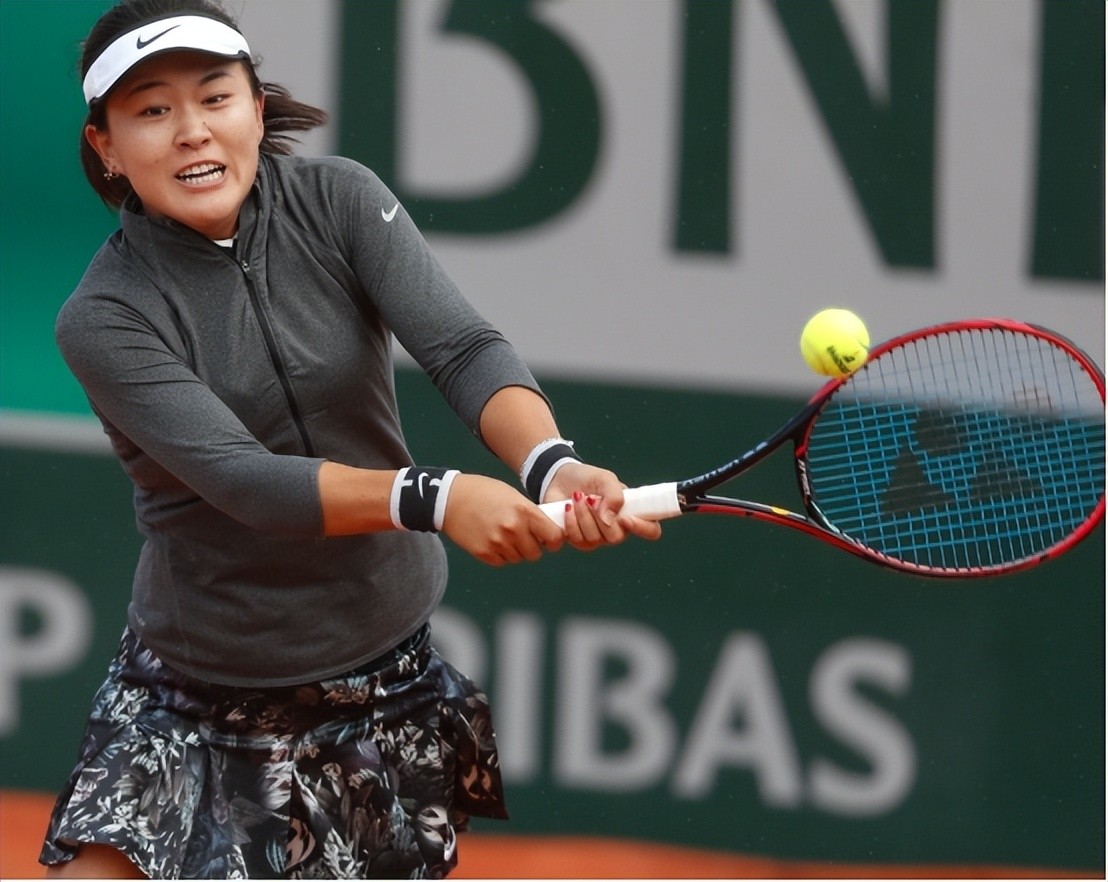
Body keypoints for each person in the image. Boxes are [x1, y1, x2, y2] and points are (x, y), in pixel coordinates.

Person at [39, 1, 661, 877]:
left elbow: (461, 347)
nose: (191, 131)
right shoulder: (104, 317)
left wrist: (550, 463)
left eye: (215, 97)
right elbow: (248, 481)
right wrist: (437, 497)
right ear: (105, 146)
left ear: (257, 109)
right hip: (193, 689)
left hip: (377, 680)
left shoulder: (341, 200)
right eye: (152, 110)